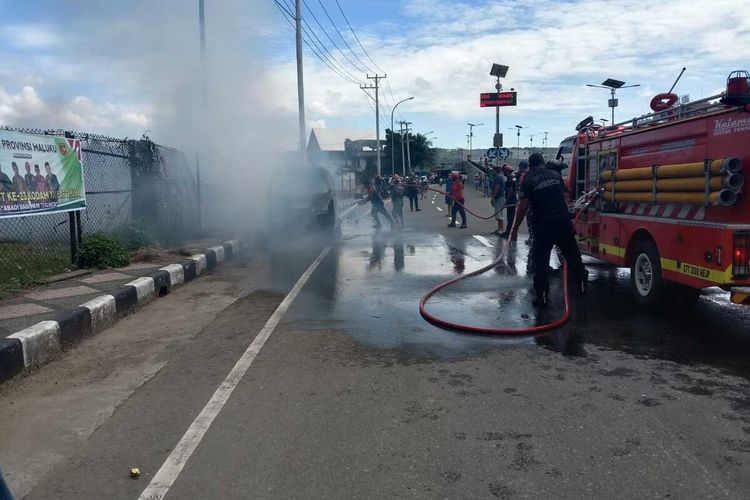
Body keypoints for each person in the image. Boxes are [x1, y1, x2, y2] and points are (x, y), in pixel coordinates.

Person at [510, 152, 588, 307]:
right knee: (573, 257)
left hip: (543, 226)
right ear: (543, 163)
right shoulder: (555, 175)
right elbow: (566, 191)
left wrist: (514, 229)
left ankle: (542, 297)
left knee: (541, 262)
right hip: (563, 222)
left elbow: (523, 207)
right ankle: (582, 286)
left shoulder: (528, 179)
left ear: (530, 166)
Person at [500, 164, 518, 238]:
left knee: (510, 217)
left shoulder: (510, 178)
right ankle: (508, 232)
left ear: (507, 171)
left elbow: (510, 191)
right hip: (513, 199)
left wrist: (506, 201)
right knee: (510, 217)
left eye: (504, 171)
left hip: (511, 200)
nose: (503, 172)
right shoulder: (513, 177)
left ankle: (510, 234)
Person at [490, 164, 506, 235]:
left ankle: (501, 229)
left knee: (499, 214)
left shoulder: (498, 177)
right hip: (499, 197)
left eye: (493, 170)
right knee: (497, 213)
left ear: (495, 171)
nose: (492, 172)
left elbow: (497, 188)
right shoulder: (499, 177)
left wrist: (493, 197)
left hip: (499, 197)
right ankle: (499, 228)